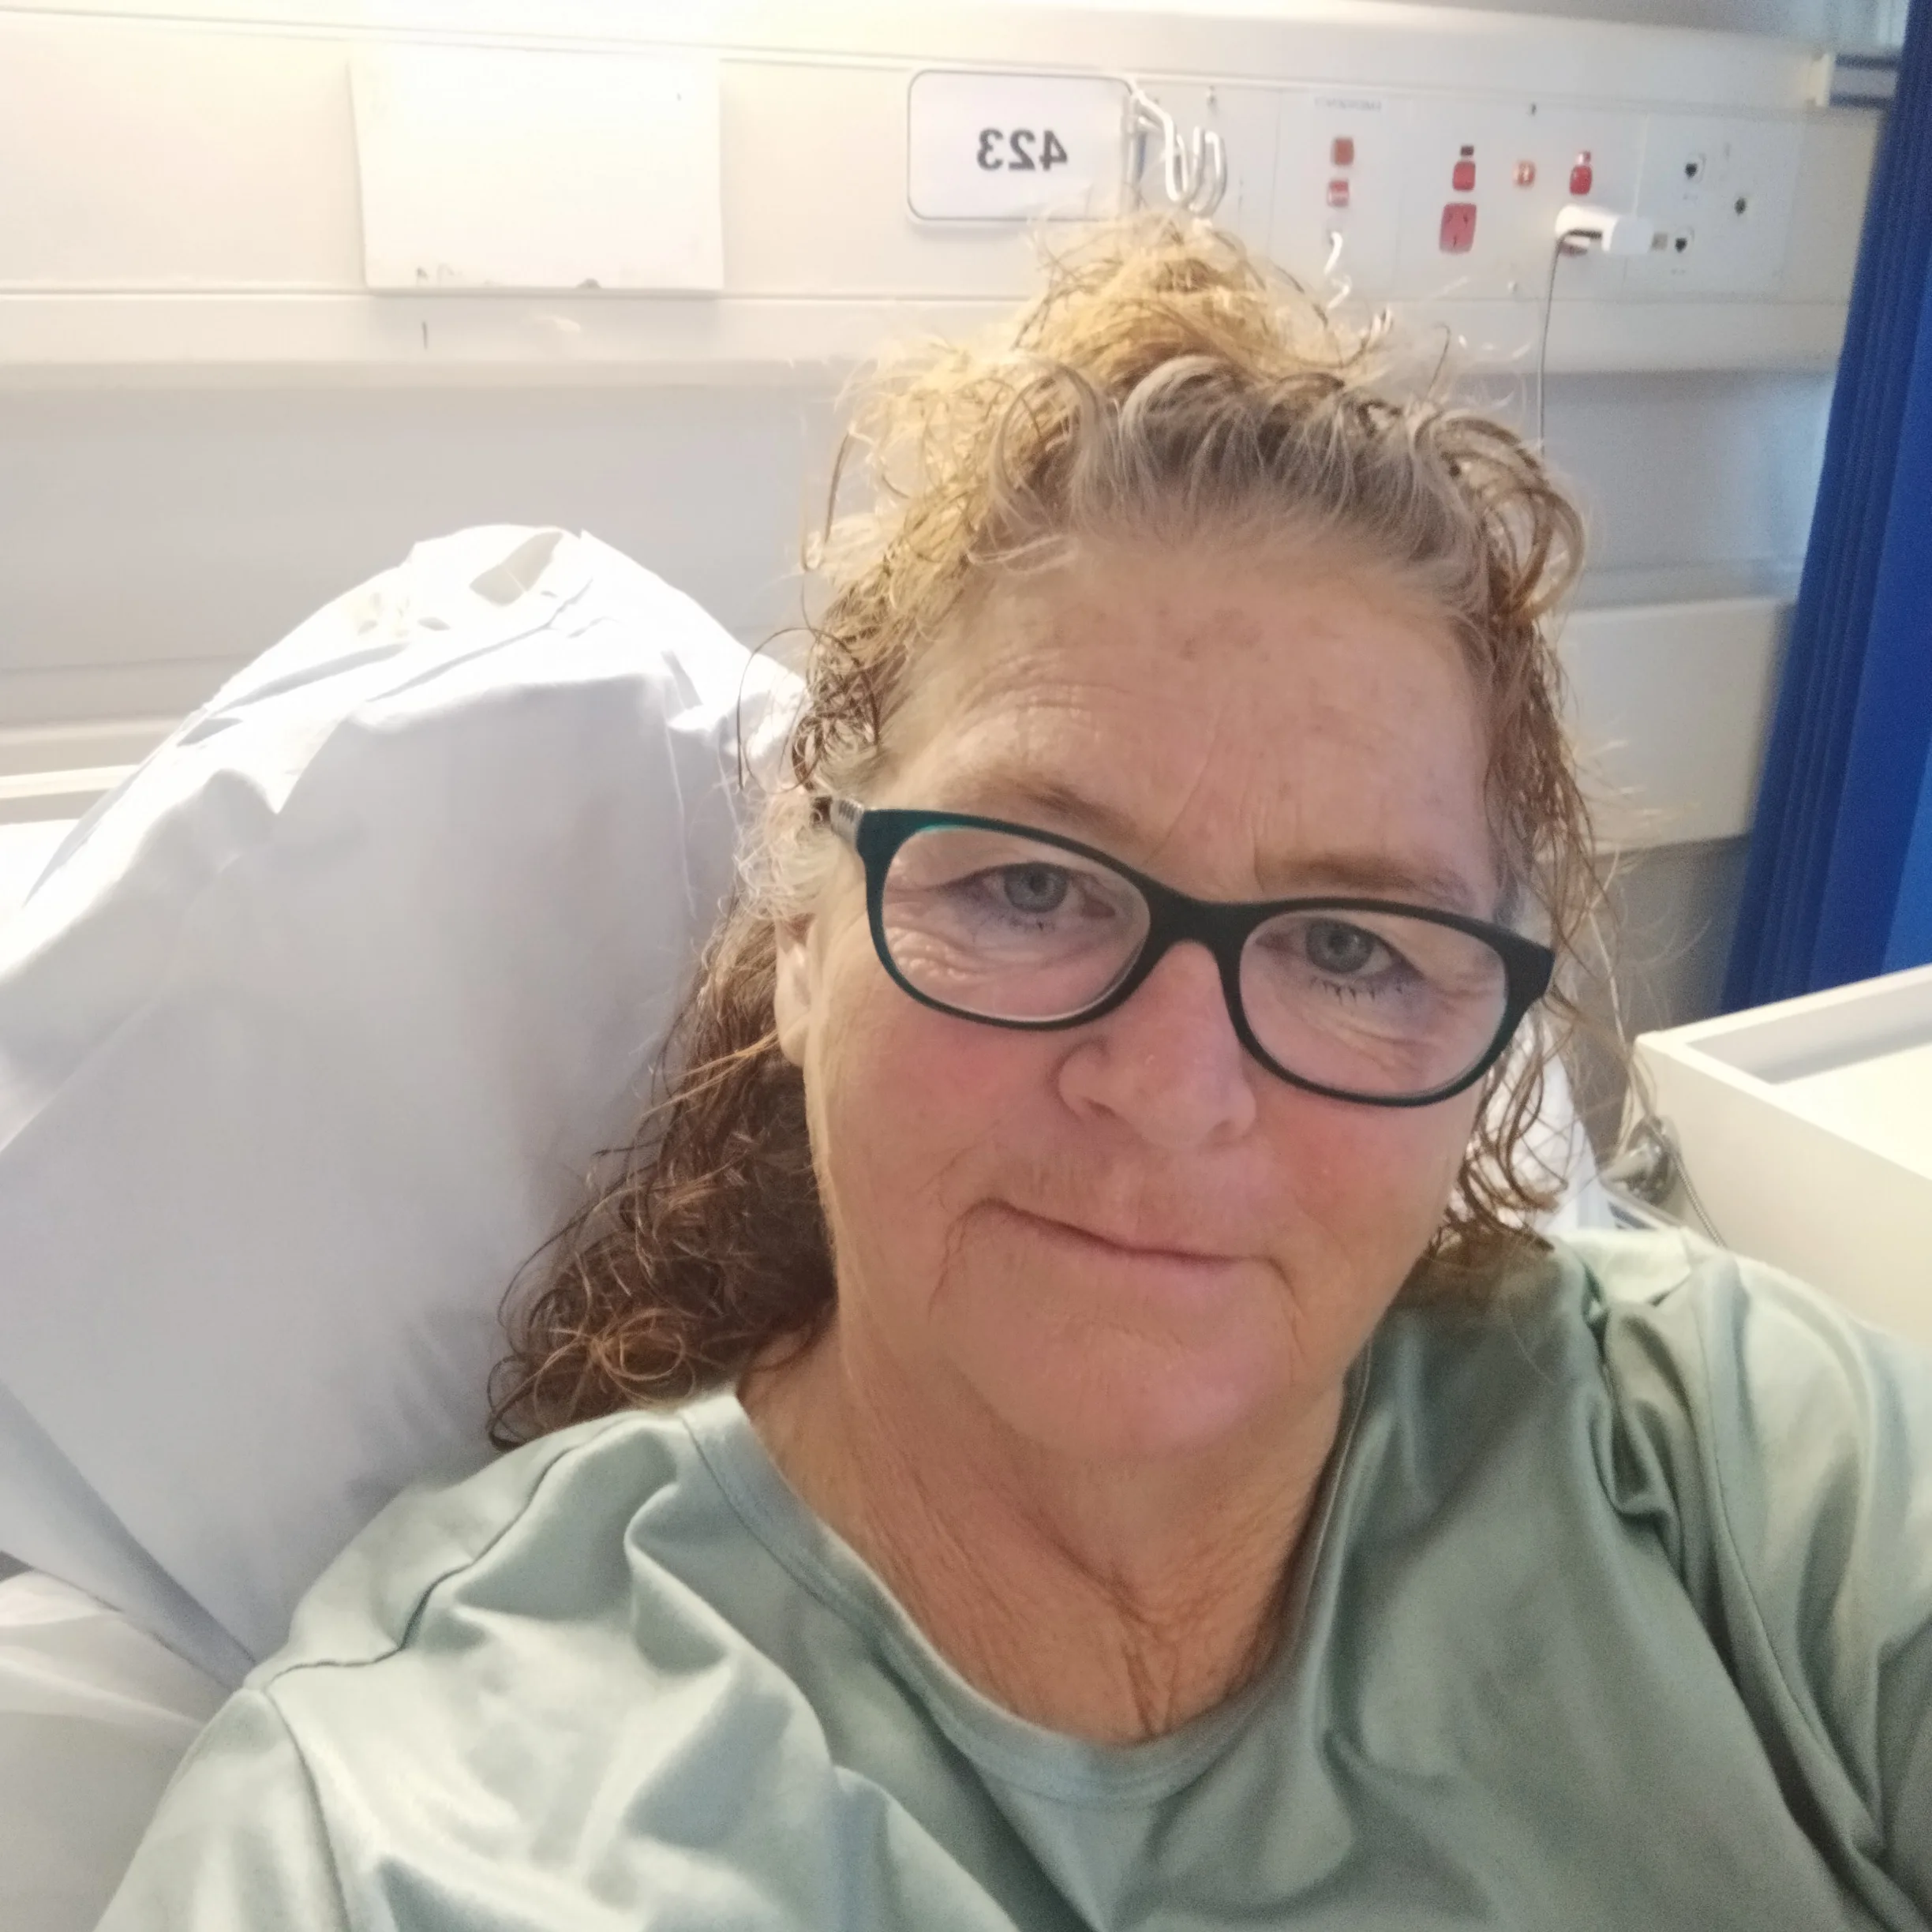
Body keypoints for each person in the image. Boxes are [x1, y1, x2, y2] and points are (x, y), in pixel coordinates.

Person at [101, 221, 1930, 1930]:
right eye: (1032, 889)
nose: (1173, 1086)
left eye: (1348, 947)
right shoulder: (389, 1834)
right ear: (804, 936)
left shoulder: (1738, 1462)